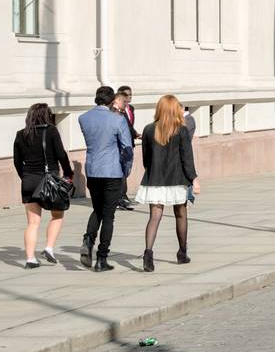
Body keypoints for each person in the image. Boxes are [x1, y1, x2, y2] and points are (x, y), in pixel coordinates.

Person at [138, 94, 198, 272]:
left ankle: (148, 254)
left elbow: (146, 159)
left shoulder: (149, 129)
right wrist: (193, 178)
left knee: (154, 217)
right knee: (181, 214)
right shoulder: (181, 130)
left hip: (155, 179)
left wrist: (153, 170)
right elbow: (187, 158)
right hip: (177, 179)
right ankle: (182, 253)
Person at [78, 84, 133, 271]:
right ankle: (102, 258)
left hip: (93, 170)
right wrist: (126, 169)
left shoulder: (83, 118)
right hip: (112, 171)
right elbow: (127, 148)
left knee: (97, 210)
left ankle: (88, 239)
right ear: (111, 101)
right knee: (108, 215)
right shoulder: (117, 120)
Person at [13, 103, 73, 269]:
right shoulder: (51, 131)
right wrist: (68, 174)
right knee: (57, 214)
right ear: (47, 115)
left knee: (32, 223)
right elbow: (61, 154)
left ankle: (30, 259)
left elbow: (17, 161)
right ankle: (49, 247)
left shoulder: (21, 134)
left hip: (29, 180)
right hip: (49, 180)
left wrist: (25, 177)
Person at [115, 85, 138, 210]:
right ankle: (120, 197)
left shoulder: (131, 108)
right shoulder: (117, 111)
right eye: (126, 95)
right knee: (122, 172)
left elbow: (129, 126)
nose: (129, 97)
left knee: (126, 171)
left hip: (130, 143)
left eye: (130, 95)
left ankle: (123, 195)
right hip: (122, 146)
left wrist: (135, 134)